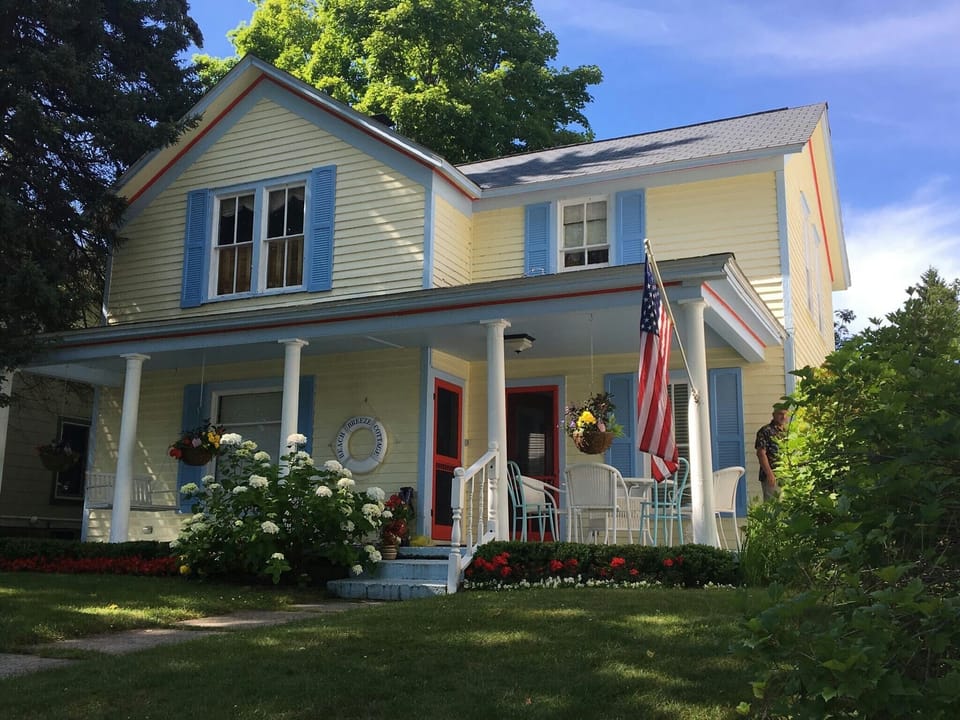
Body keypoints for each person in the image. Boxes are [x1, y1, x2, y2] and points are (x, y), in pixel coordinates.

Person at [755, 407, 788, 500]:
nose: (783, 417)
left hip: (786, 475)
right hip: (772, 475)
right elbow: (761, 453)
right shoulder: (765, 431)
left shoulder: (787, 432)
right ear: (774, 415)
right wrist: (769, 474)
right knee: (772, 506)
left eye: (786, 414)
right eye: (780, 414)